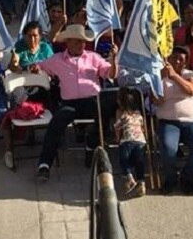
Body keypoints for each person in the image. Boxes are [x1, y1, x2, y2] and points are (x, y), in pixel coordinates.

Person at [34, 25, 119, 182]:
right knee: (56, 123)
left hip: (92, 100)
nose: (81, 45)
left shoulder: (94, 57)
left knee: (104, 111)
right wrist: (33, 68)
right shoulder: (57, 59)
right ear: (68, 43)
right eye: (77, 42)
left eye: (82, 42)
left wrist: (114, 60)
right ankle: (44, 165)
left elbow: (110, 74)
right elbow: (39, 66)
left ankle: (92, 148)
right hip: (70, 103)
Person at [153, 47, 193, 194]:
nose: (177, 61)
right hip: (168, 120)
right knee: (168, 148)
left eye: (181, 59)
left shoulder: (189, 74)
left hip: (191, 121)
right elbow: (155, 101)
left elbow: (191, 90)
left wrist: (174, 77)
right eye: (174, 57)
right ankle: (170, 178)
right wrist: (160, 82)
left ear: (186, 62)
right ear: (169, 58)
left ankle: (187, 177)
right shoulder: (160, 75)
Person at [114, 87, 148, 198]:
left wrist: (117, 138)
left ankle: (129, 178)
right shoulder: (138, 114)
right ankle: (141, 181)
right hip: (140, 141)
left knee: (124, 160)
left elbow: (118, 127)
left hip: (127, 140)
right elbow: (143, 128)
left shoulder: (120, 113)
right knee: (139, 161)